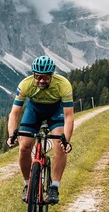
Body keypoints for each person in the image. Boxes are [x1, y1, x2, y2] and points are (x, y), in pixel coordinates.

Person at [6, 56, 74, 204]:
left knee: (59, 146)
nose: (42, 80)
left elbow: (69, 116)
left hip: (55, 111)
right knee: (24, 147)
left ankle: (54, 188)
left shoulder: (63, 85)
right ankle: (27, 184)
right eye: (38, 77)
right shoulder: (25, 84)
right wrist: (12, 135)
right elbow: (14, 113)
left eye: (46, 77)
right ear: (34, 75)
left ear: (52, 75)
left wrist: (66, 140)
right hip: (34, 110)